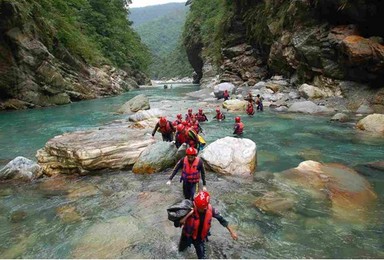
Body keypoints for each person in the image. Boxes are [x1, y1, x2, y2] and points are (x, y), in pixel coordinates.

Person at [175, 191, 238, 259]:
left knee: (202, 258)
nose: (203, 209)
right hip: (187, 236)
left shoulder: (211, 210)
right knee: (180, 252)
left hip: (199, 239)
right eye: (199, 207)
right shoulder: (188, 209)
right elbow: (176, 224)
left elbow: (222, 220)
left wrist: (232, 232)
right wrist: (188, 215)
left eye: (204, 207)